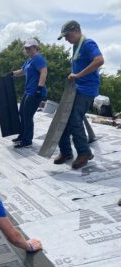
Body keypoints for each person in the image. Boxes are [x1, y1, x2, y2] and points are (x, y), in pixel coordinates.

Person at [56, 20, 104, 169]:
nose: (66, 39)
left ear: (76, 30)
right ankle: (66, 152)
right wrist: (74, 75)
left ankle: (84, 153)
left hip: (87, 89)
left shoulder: (88, 44)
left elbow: (99, 60)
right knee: (62, 119)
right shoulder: (76, 46)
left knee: (74, 119)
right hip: (77, 88)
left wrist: (78, 75)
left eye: (68, 35)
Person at [10, 38, 48, 148]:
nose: (27, 50)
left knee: (27, 115)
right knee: (21, 113)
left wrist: (39, 88)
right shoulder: (29, 60)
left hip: (35, 92)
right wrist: (12, 74)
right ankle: (22, 135)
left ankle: (27, 140)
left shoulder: (38, 59)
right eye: (26, 48)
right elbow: (22, 71)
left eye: (29, 48)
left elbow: (43, 72)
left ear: (35, 48)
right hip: (28, 91)